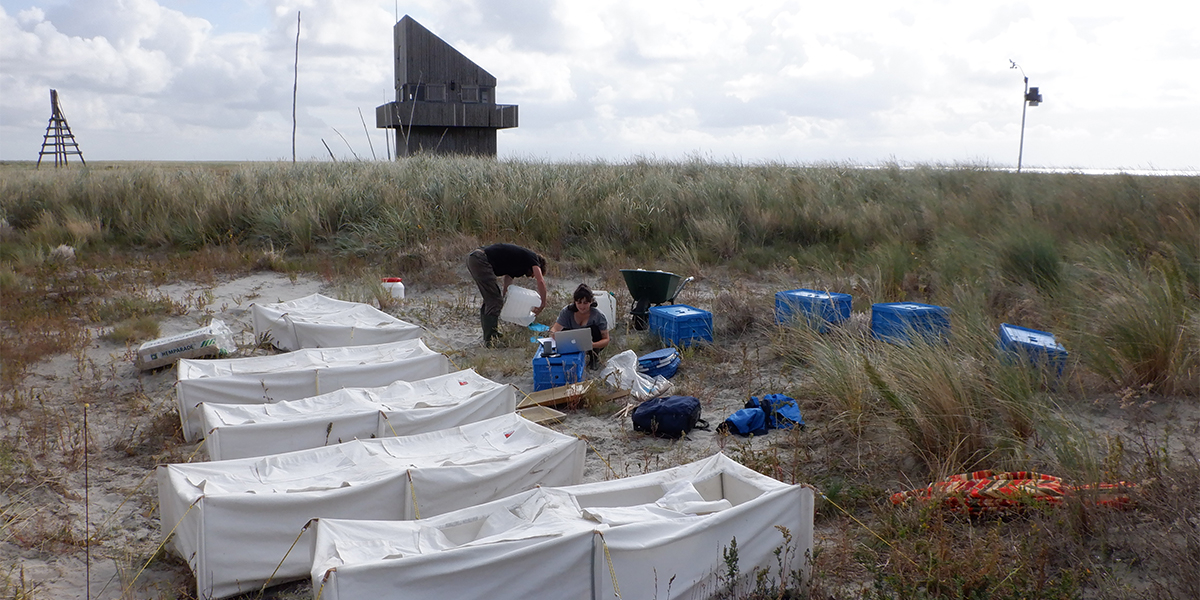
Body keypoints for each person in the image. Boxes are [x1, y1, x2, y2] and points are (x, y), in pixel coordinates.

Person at [467, 243, 548, 347]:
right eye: (533, 274)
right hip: (481, 260)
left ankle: (489, 335)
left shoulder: (519, 262)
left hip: (475, 258)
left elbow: (508, 277)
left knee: (490, 299)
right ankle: (491, 339)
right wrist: (543, 303)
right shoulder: (532, 258)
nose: (532, 276)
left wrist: (505, 294)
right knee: (494, 300)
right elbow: (540, 281)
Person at [550, 283, 610, 369]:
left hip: (592, 344)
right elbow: (555, 328)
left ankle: (594, 358)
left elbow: (606, 339)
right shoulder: (567, 312)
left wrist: (592, 345)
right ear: (574, 302)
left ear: (591, 302)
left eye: (585, 303)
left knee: (594, 329)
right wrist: (555, 335)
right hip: (571, 343)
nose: (582, 306)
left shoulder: (598, 316)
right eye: (579, 302)